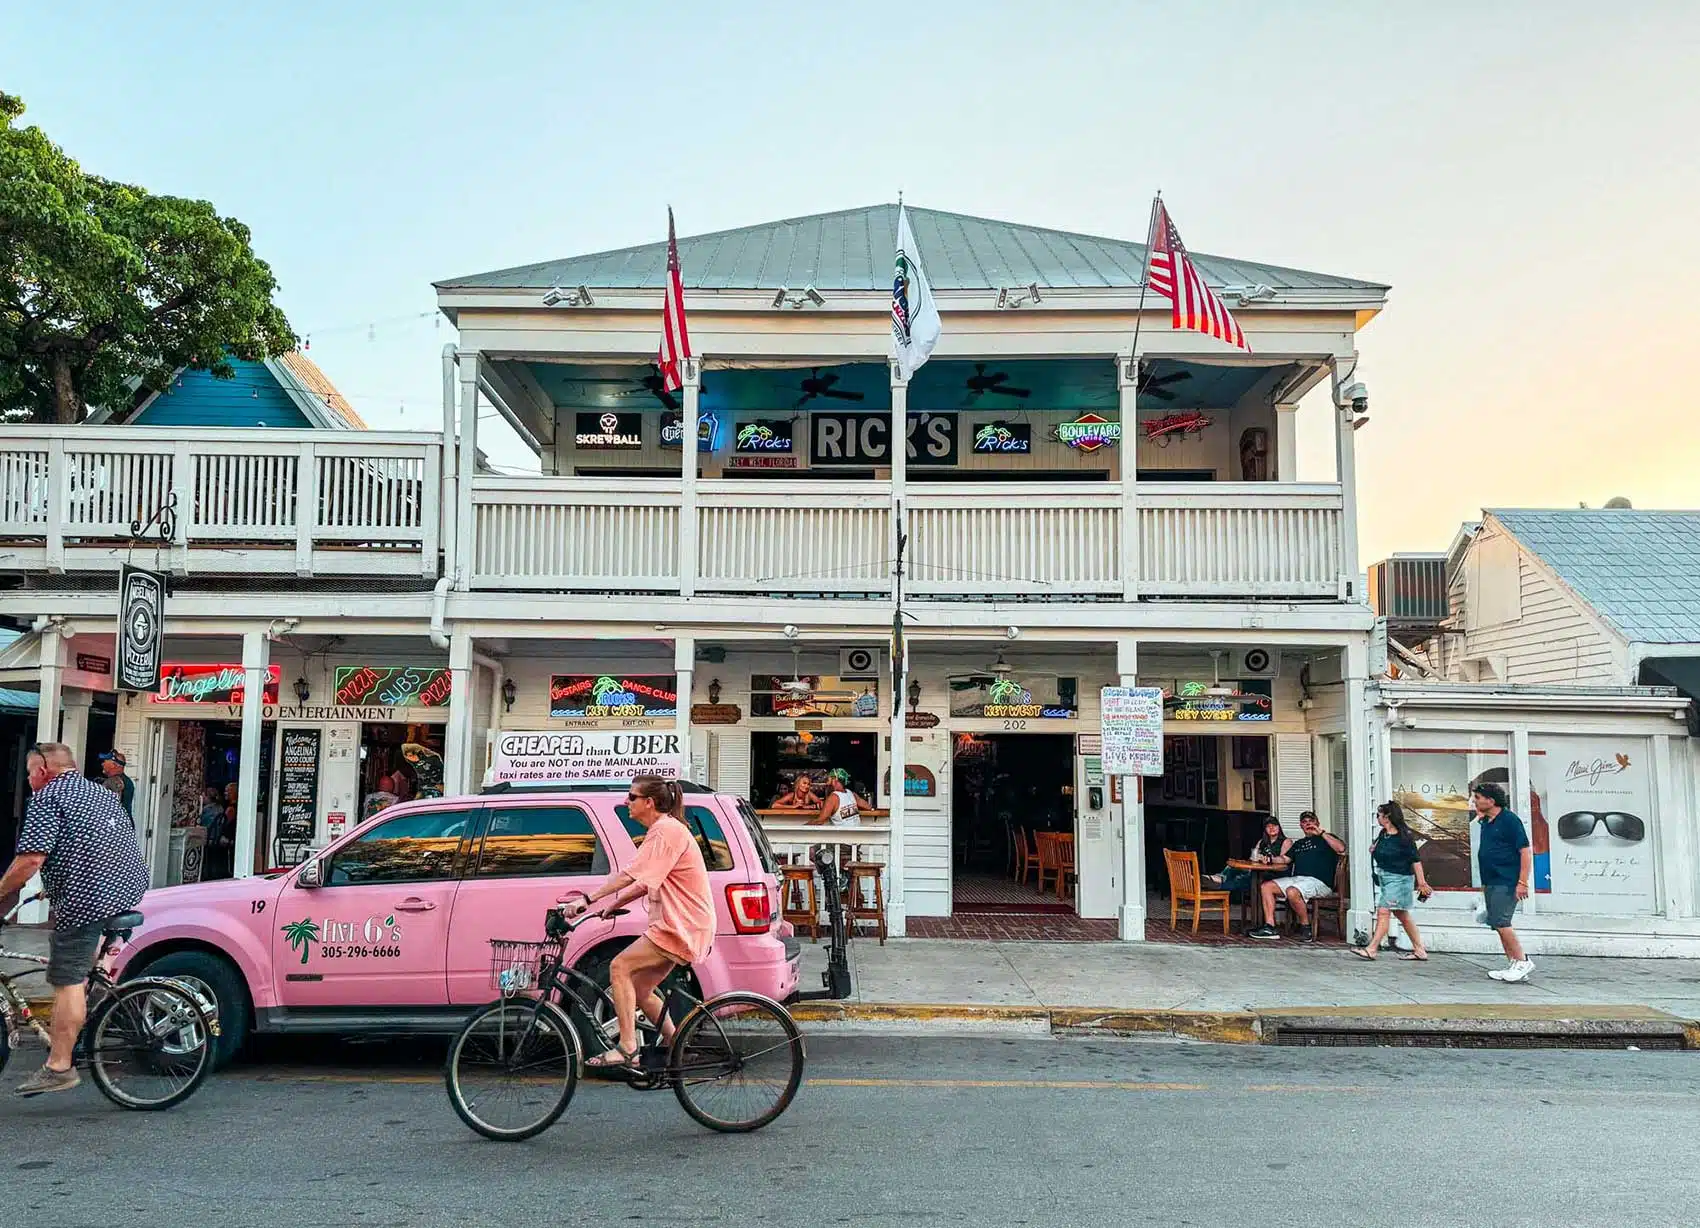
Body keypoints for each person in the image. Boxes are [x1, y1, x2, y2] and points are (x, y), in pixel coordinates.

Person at [0, 743, 150, 1097]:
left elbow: (30, 861)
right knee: (81, 977)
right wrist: (51, 888)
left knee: (66, 977)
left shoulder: (48, 798)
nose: (29, 780)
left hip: (90, 901)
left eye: (29, 773)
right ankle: (79, 1025)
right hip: (126, 888)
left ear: (42, 771)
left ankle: (60, 1066)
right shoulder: (99, 793)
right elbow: (92, 844)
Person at [562, 776, 714, 1069]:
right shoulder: (667, 830)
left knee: (619, 967)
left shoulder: (665, 831)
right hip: (681, 924)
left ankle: (628, 1047)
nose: (626, 802)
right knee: (642, 990)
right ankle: (676, 1044)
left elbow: (631, 874)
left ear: (649, 802)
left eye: (631, 797)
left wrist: (588, 899)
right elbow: (645, 882)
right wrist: (613, 905)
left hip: (679, 925)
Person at [1351, 801, 1433, 961]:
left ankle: (1372, 948)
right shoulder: (1383, 834)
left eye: (1379, 815)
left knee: (1383, 911)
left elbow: (1415, 860)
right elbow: (1380, 851)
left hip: (1399, 879)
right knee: (1401, 913)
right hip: (1385, 877)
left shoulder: (1405, 836)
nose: (1377, 818)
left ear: (1387, 816)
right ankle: (1419, 950)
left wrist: (1421, 882)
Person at [1248, 811, 1345, 941]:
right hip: (1299, 880)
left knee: (1292, 891)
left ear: (1317, 822)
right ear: (1301, 825)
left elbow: (1341, 848)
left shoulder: (1326, 838)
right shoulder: (1298, 843)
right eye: (1305, 822)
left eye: (1311, 821)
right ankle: (1270, 927)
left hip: (1320, 882)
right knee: (1266, 887)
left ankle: (1306, 927)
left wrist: (1321, 833)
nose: (1308, 824)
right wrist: (1270, 859)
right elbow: (1285, 859)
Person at [1472, 780, 1534, 982]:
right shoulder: (1487, 822)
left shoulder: (1509, 820)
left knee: (1502, 922)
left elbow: (1525, 851)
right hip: (1491, 880)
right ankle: (1515, 964)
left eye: (1478, 798)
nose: (1474, 801)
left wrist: (1522, 882)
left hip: (1506, 880)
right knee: (1497, 923)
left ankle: (1523, 961)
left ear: (1491, 801)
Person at [1202, 817, 1289, 895]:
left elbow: (1283, 860)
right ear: (1265, 829)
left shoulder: (1286, 842)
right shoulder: (1262, 841)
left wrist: (1270, 859)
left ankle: (1218, 885)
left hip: (1274, 873)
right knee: (1232, 868)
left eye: (1274, 825)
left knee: (1245, 879)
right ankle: (1217, 878)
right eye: (1268, 826)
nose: (1271, 828)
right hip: (1258, 871)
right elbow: (1253, 857)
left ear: (1279, 827)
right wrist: (1255, 858)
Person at [98, 750, 134, 820]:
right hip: (126, 823)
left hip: (115, 825)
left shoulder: (113, 781)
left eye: (105, 761)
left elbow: (112, 809)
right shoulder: (128, 781)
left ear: (113, 765)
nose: (102, 764)